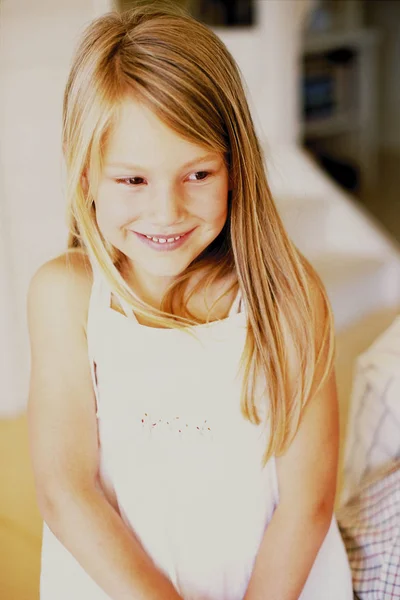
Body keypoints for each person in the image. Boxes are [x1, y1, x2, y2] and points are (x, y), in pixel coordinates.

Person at [26, 2, 353, 598]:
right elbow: (65, 488)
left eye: (198, 175)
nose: (167, 212)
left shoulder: (284, 295)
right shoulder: (66, 297)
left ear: (235, 168)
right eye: (132, 180)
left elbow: (308, 501)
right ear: (86, 181)